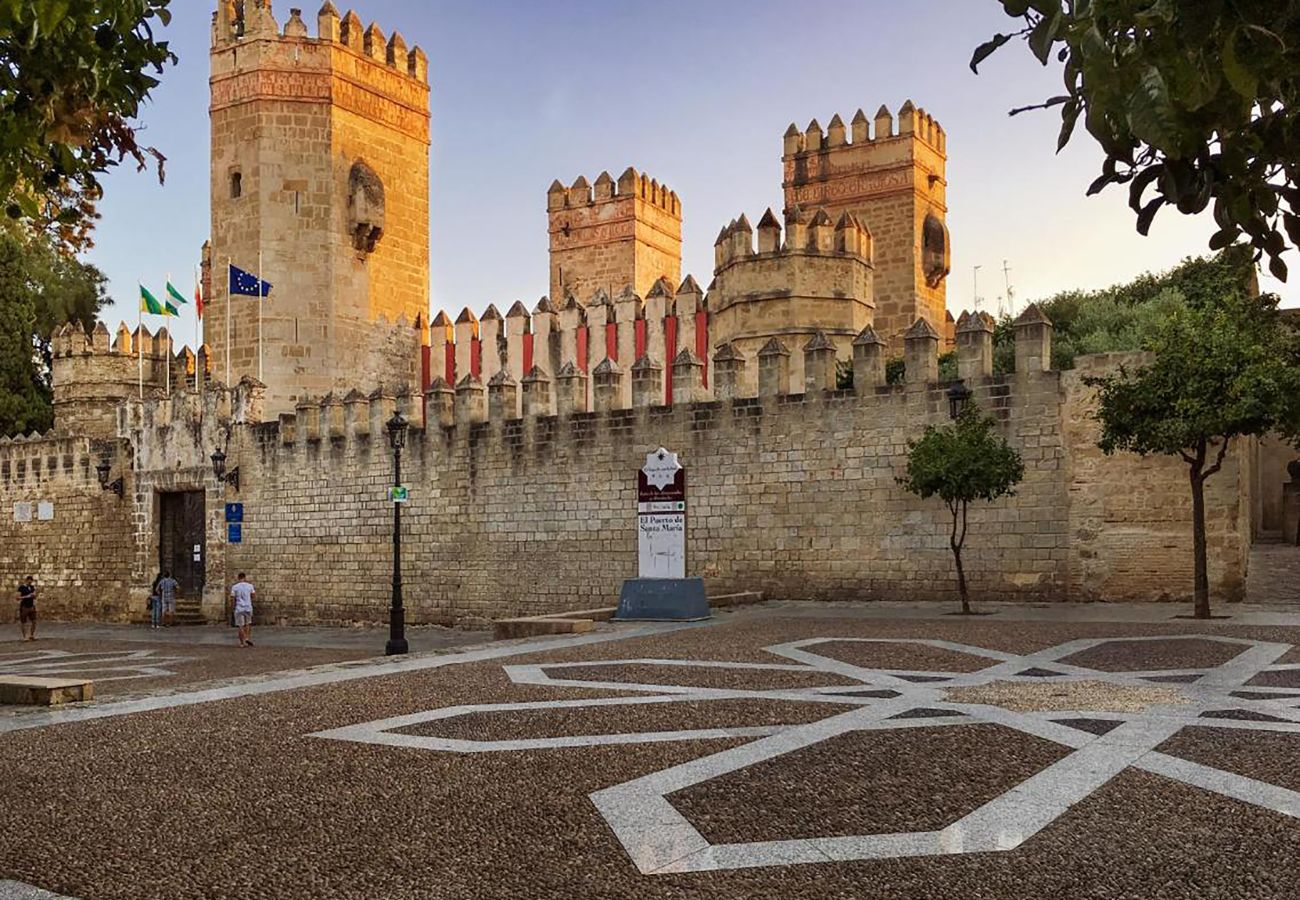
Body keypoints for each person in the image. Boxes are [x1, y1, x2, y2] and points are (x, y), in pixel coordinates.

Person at [230, 573, 255, 647]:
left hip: (239, 607)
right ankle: (247, 637)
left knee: (240, 625)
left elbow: (232, 598)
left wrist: (233, 607)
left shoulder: (235, 587)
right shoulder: (250, 586)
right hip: (248, 607)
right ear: (245, 577)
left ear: (238, 578)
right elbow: (253, 595)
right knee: (248, 623)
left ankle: (242, 643)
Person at [16, 576, 36, 641]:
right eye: (29, 581)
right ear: (26, 580)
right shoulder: (21, 588)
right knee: (23, 622)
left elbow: (34, 596)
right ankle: (25, 636)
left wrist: (34, 596)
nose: (30, 582)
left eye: (31, 581)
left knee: (34, 621)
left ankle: (31, 635)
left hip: (31, 606)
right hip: (24, 606)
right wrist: (27, 596)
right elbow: (17, 597)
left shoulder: (32, 587)